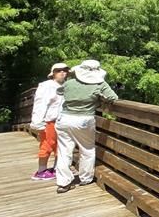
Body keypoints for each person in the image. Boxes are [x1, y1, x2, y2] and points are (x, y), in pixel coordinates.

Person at [55, 59, 118, 193]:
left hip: (64, 118)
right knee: (87, 149)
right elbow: (113, 98)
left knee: (64, 151)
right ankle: (85, 178)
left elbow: (60, 92)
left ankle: (63, 182)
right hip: (84, 119)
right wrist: (99, 100)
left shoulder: (70, 83)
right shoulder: (100, 83)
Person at [29, 63, 69, 180]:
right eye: (58, 70)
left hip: (61, 121)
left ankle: (57, 168)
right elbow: (40, 105)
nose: (62, 72)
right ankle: (41, 170)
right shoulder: (46, 86)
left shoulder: (66, 86)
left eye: (65, 70)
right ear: (53, 73)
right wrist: (37, 122)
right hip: (49, 121)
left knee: (60, 146)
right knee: (47, 144)